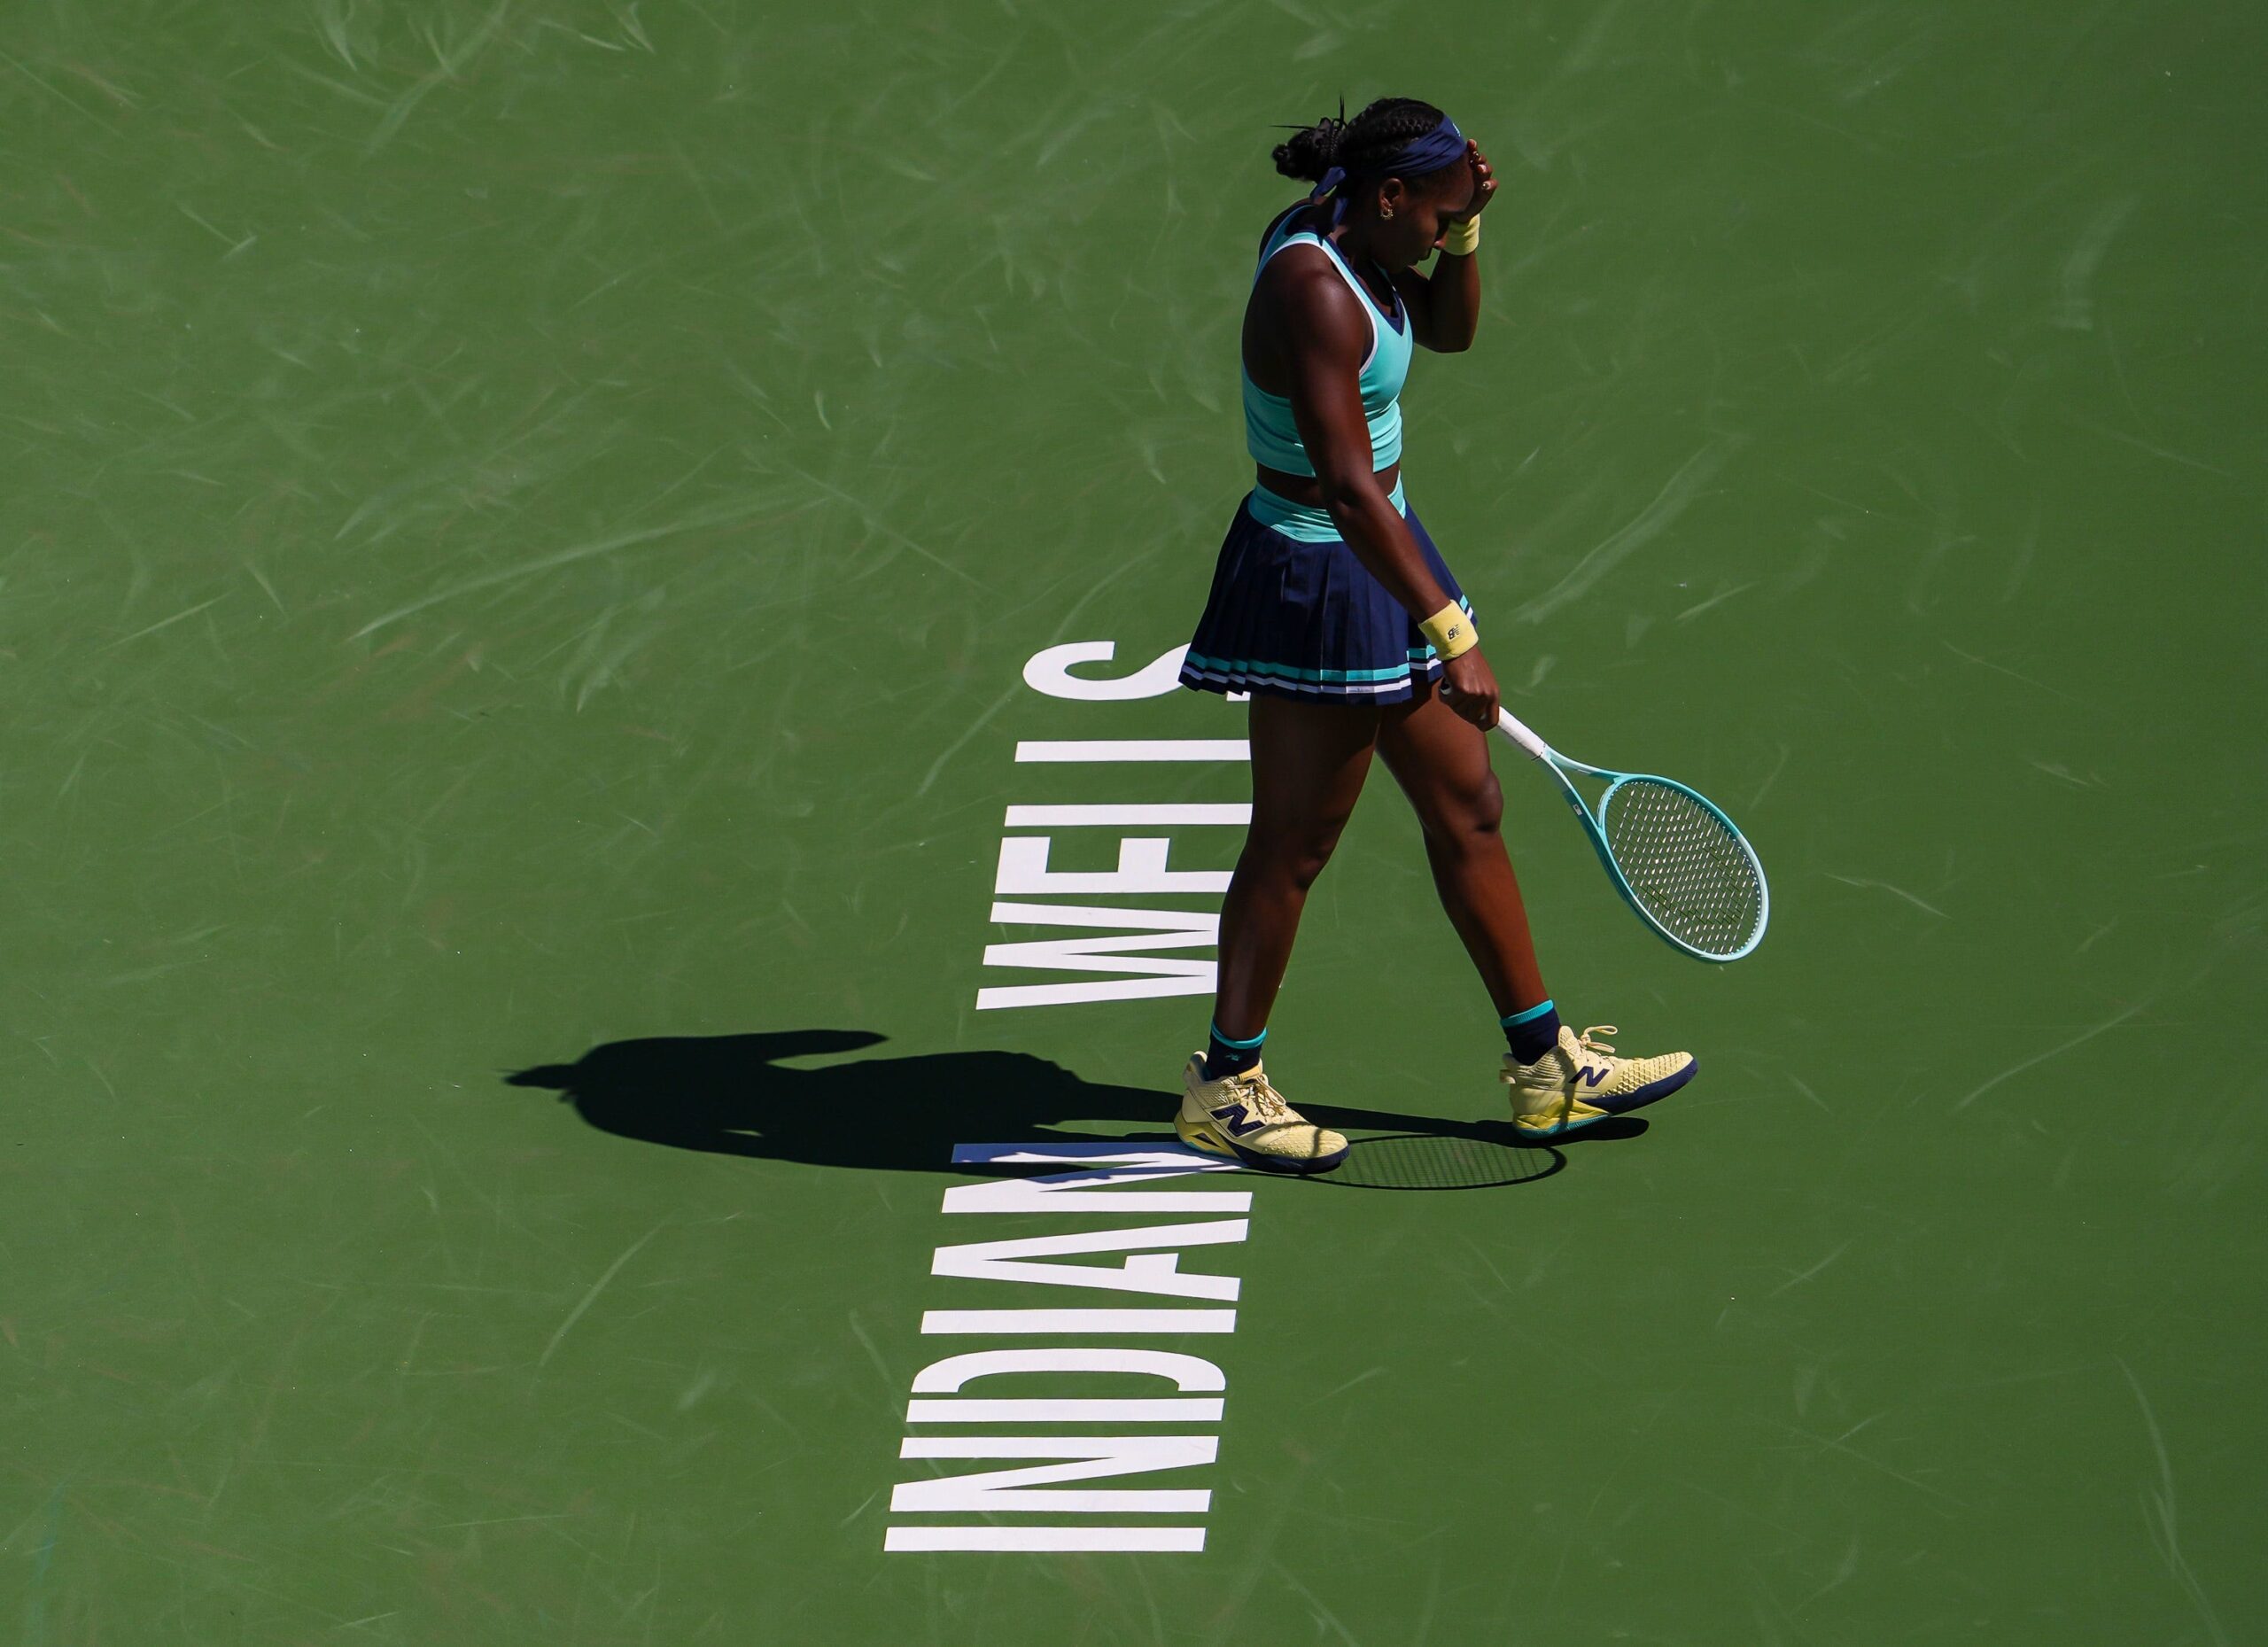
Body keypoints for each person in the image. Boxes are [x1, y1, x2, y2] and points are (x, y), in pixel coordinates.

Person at [1172, 97, 1696, 1174]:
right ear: (1387, 193)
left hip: (1382, 553)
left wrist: (1465, 233)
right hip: (1323, 570)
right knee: (1295, 840)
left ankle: (1544, 1065)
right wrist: (1452, 632)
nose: (1439, 234)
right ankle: (1225, 1085)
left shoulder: (1367, 232)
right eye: (1435, 214)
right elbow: (1348, 488)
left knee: (1471, 805)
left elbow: (1449, 328)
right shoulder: (1312, 284)